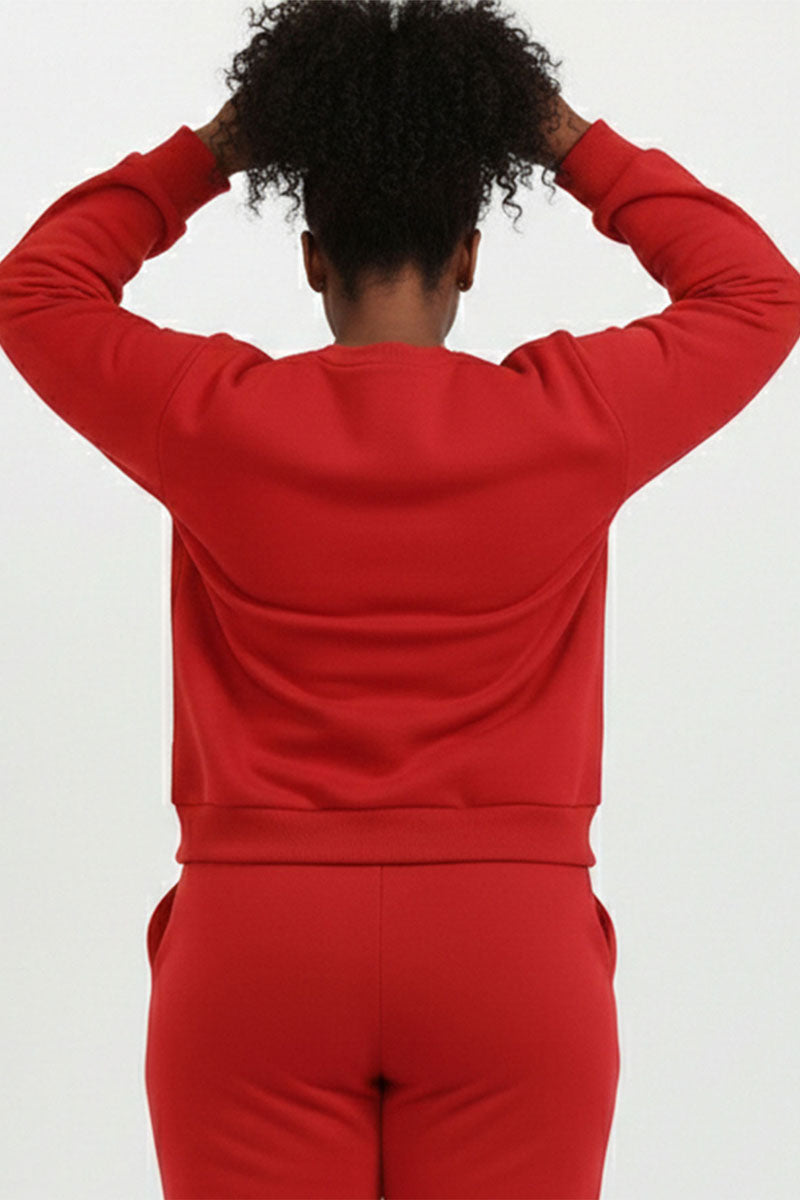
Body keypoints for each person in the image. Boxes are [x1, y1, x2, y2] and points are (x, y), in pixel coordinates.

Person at [1, 1, 798, 1198]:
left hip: (258, 946)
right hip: (507, 947)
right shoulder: (569, 419)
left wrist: (222, 143)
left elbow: (37, 290)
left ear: (310, 256)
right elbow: (753, 292)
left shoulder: (211, 421)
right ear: (468, 254)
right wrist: (556, 132)